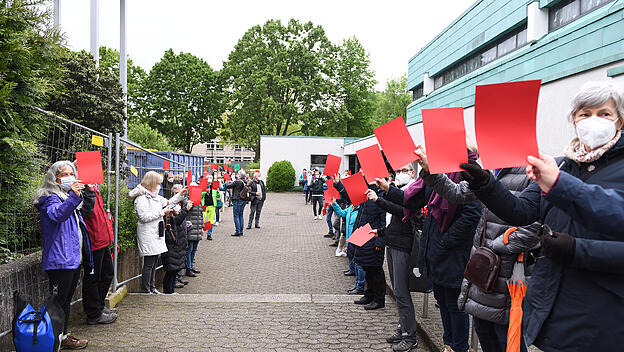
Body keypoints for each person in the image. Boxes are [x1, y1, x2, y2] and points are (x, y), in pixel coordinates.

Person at [461, 81, 624, 351]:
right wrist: (484, 184)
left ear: (619, 121)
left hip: (603, 318)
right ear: (574, 120)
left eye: (604, 114)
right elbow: (520, 210)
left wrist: (577, 250)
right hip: (554, 311)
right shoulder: (562, 166)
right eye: (585, 113)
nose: (593, 121)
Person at [414, 144, 539, 352]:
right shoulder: (490, 172)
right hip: (485, 272)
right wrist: (430, 169)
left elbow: (532, 229)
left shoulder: (530, 173)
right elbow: (456, 193)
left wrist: (491, 248)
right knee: (484, 332)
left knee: (508, 338)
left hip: (509, 275)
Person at [377, 151, 482, 352]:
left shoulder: (468, 173)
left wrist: (444, 243)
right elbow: (413, 201)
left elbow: (471, 216)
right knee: (442, 300)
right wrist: (388, 189)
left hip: (453, 253)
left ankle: (459, 347)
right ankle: (448, 345)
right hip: (435, 250)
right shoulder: (437, 175)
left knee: (454, 304)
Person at [34, 160, 91, 349]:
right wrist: (74, 197)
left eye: (71, 173)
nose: (69, 178)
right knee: (57, 303)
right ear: (55, 179)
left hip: (71, 260)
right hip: (60, 260)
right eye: (64, 175)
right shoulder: (51, 198)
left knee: (65, 302)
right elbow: (57, 215)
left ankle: (62, 336)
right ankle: (52, 341)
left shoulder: (66, 197)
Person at [365, 164, 418, 352]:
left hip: (403, 247)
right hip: (393, 243)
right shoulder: (402, 190)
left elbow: (402, 212)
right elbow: (395, 223)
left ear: (412, 172)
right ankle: (402, 328)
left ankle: (410, 336)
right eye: (398, 171)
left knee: (402, 292)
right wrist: (380, 232)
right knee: (398, 292)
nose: (400, 174)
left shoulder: (413, 191)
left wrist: (379, 199)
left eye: (404, 170)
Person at [334, 175, 387, 310]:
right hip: (363, 235)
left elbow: (384, 221)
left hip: (374, 237)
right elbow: (350, 198)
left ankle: (379, 299)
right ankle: (369, 295)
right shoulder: (365, 193)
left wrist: (380, 242)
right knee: (366, 267)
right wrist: (339, 185)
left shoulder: (381, 196)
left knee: (375, 270)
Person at [80, 183, 118, 325]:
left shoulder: (94, 189)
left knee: (107, 274)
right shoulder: (83, 190)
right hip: (93, 241)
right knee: (92, 279)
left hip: (102, 239)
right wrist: (89, 190)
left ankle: (99, 307)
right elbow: (86, 213)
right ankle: (94, 314)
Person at [130, 171, 170, 295]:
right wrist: (162, 213)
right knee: (149, 263)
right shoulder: (142, 198)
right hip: (148, 233)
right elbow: (143, 217)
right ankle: (146, 289)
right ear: (152, 183)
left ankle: (152, 287)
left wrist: (180, 195)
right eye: (157, 183)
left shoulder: (154, 196)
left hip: (155, 232)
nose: (159, 186)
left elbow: (167, 202)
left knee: (153, 262)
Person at [162, 196, 191, 294]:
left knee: (173, 272)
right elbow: (178, 219)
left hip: (177, 248)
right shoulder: (169, 219)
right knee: (170, 272)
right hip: (172, 248)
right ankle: (168, 291)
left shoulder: (173, 218)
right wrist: (185, 209)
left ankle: (171, 291)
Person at [226, 169, 248, 236]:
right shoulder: (245, 181)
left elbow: (228, 186)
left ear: (239, 175)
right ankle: (241, 231)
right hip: (243, 199)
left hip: (237, 199)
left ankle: (237, 231)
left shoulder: (237, 181)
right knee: (241, 215)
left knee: (236, 216)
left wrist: (227, 181)